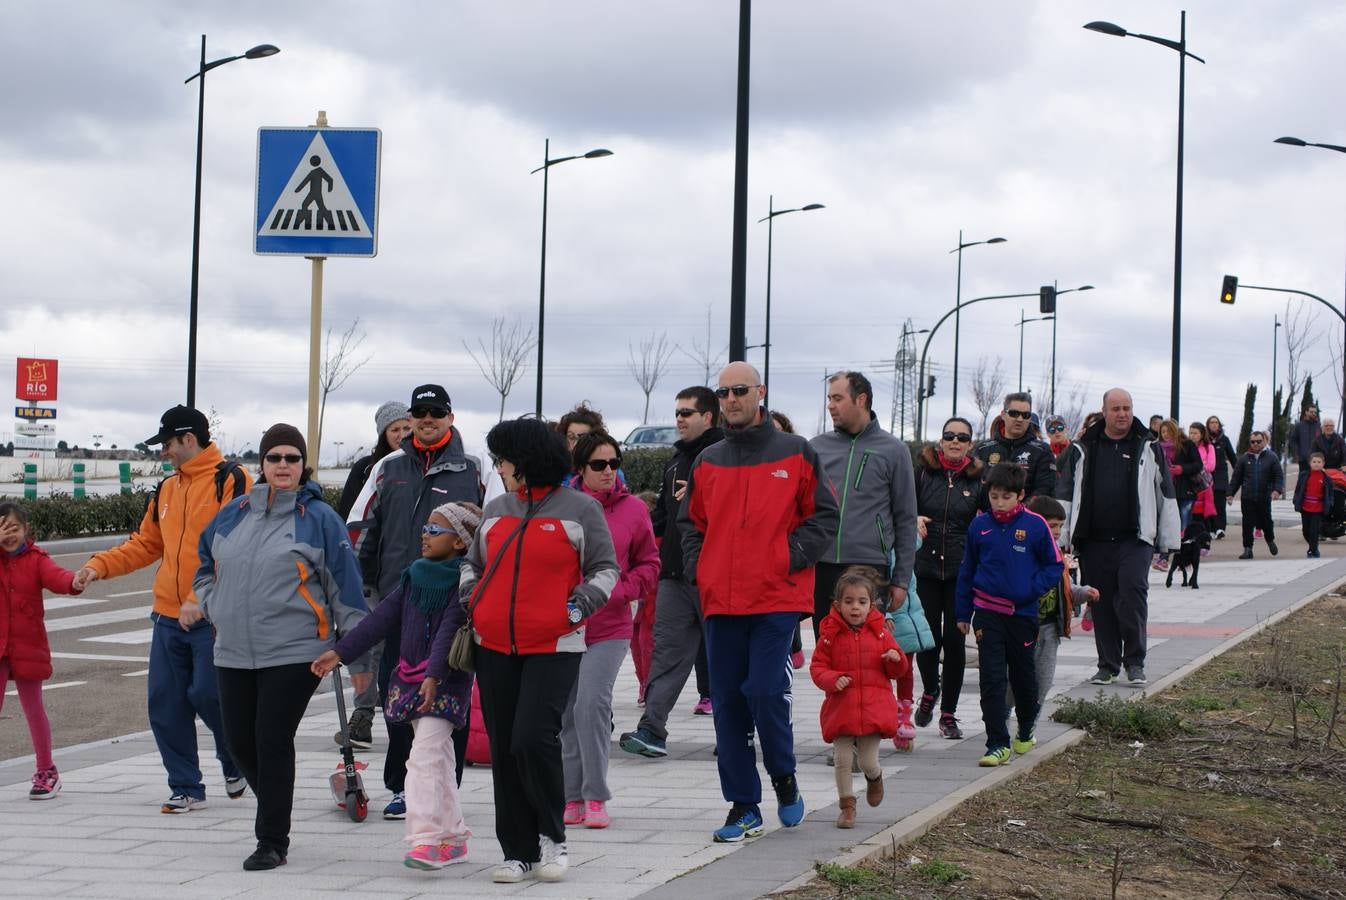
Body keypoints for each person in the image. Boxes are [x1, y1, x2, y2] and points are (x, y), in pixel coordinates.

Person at [195, 424, 369, 871]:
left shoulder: (320, 519)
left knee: (271, 738)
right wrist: (213, 605)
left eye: (292, 458)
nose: (283, 466)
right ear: (263, 464)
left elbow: (345, 590)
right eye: (275, 458)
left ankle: (272, 839)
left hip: (296, 652)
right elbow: (203, 567)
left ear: (302, 464)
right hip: (233, 651)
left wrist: (358, 656)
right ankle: (273, 803)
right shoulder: (232, 514)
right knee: (239, 743)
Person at [679, 362, 839, 843]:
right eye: (723, 392)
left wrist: (786, 556)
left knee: (766, 691)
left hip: (775, 599)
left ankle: (784, 778)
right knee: (726, 703)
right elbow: (690, 525)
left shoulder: (795, 451)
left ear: (760, 393)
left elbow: (824, 516)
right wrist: (697, 569)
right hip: (721, 601)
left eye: (740, 390)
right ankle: (744, 806)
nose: (730, 399)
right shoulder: (708, 460)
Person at [464, 417, 619, 884]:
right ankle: (518, 851)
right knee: (505, 750)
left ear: (524, 459)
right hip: (493, 645)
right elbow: (471, 565)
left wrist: (573, 612)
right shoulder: (496, 507)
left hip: (554, 645)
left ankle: (554, 838)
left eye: (503, 458)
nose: (500, 467)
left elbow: (606, 570)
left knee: (532, 739)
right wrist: (473, 602)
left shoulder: (581, 509)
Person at [73, 405, 249, 812]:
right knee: (165, 702)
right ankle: (186, 786)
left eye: (167, 443)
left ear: (189, 439)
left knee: (208, 694)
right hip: (167, 616)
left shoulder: (232, 480)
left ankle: (236, 758)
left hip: (212, 617)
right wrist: (97, 566)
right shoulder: (167, 489)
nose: (163, 451)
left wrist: (202, 598)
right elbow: (145, 545)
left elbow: (238, 546)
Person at [313, 501, 481, 870]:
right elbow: (381, 620)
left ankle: (424, 840)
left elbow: (449, 632)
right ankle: (453, 837)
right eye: (425, 527)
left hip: (444, 684)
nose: (425, 534)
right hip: (408, 679)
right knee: (438, 761)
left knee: (421, 759)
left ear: (459, 542)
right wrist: (340, 653)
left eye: (435, 530)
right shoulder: (414, 574)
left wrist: (434, 676)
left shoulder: (464, 583)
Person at [347, 384, 482, 819]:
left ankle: (447, 786)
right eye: (420, 412)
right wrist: (359, 588)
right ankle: (402, 785)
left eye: (435, 412)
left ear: (450, 417)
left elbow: (493, 529)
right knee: (395, 699)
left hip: (456, 607)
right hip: (399, 601)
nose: (427, 419)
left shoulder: (476, 468)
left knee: (450, 701)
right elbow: (361, 526)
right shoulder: (388, 467)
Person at [810, 372, 918, 748]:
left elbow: (906, 517)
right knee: (832, 655)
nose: (831, 405)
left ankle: (866, 736)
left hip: (870, 567)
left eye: (838, 397)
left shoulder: (893, 450)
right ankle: (842, 738)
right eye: (829, 398)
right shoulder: (816, 447)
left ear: (862, 399)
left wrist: (901, 577)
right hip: (823, 566)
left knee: (868, 659)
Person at [561, 433, 659, 829]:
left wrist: (619, 591)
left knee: (592, 705)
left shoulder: (634, 510)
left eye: (614, 463)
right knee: (567, 713)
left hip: (611, 625)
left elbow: (651, 564)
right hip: (565, 626)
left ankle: (596, 796)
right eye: (599, 465)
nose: (608, 472)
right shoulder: (562, 508)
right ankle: (571, 796)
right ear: (580, 469)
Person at [620, 386, 724, 759]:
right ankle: (652, 729)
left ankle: (732, 734)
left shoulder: (727, 458)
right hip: (675, 576)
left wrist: (698, 498)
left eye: (687, 413)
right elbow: (661, 519)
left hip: (717, 577)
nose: (679, 419)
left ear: (708, 417)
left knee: (725, 658)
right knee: (665, 653)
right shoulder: (674, 463)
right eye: (677, 412)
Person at [1057, 388, 1180, 687]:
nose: (1122, 414)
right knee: (1101, 601)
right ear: (1104, 411)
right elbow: (1065, 493)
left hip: (1135, 539)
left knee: (1133, 593)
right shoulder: (1083, 446)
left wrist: (1168, 538)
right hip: (1094, 539)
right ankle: (1108, 665)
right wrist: (1061, 537)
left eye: (1127, 408)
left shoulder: (1148, 446)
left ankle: (1135, 662)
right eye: (1116, 409)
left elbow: (1166, 492)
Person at [955, 464, 1063, 767]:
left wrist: (1030, 589)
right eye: (994, 496)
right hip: (987, 613)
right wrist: (963, 612)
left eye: (1006, 497)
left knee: (1023, 678)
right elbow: (967, 570)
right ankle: (997, 744)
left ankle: (1026, 726)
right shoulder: (979, 526)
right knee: (991, 679)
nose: (999, 502)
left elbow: (1054, 566)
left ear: (1020, 496)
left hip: (1023, 615)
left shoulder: (1036, 525)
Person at [809, 566, 909, 829]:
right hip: (842, 706)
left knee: (866, 761)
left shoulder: (881, 633)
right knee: (843, 759)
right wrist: (832, 679)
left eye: (862, 602)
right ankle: (847, 806)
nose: (855, 608)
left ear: (871, 605)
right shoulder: (830, 635)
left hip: (873, 708)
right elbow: (817, 668)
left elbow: (899, 669)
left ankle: (875, 778)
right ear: (838, 604)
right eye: (849, 602)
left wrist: (894, 660)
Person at [0, 501, 83, 799]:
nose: (9, 535)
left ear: (26, 530)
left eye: (14, 528)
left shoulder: (36, 559)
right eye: (3, 529)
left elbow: (57, 577)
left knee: (33, 708)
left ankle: (47, 771)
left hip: (27, 643)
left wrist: (74, 581)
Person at [912, 417, 984, 740]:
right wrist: (913, 518)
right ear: (941, 440)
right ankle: (930, 690)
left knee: (955, 643)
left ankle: (949, 714)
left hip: (960, 569)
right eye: (949, 436)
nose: (955, 441)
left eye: (962, 437)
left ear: (970, 443)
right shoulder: (923, 472)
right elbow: (902, 507)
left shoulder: (978, 480)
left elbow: (991, 519)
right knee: (928, 639)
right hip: (925, 568)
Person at [1022, 496, 1097, 726]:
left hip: (1050, 629)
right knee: (1014, 682)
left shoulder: (1056, 554)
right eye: (1051, 525)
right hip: (1022, 627)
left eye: (1060, 526)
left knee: (1043, 682)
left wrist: (1084, 592)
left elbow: (1065, 588)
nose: (1056, 531)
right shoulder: (1023, 553)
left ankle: (1028, 727)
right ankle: (1003, 718)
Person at [972, 391, 1056, 501]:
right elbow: (974, 487)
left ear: (1030, 418)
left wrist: (1019, 512)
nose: (1020, 419)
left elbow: (1045, 489)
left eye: (1025, 415)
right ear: (1003, 414)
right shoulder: (983, 449)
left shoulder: (1042, 450)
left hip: (1025, 516)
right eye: (1014, 413)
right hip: (989, 515)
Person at [337, 401, 411, 519]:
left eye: (407, 428)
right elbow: (348, 514)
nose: (402, 435)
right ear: (383, 435)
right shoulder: (364, 469)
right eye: (395, 430)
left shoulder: (421, 464)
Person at [1229, 430, 1284, 559]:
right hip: (1247, 497)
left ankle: (1270, 540)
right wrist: (1230, 493)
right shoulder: (1244, 458)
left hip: (1264, 497)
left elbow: (1278, 476)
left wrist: (1277, 490)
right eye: (1253, 442)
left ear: (1264, 441)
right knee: (1247, 524)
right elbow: (1236, 478)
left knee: (1266, 522)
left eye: (1259, 441)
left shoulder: (1272, 457)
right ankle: (1248, 549)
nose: (1255, 444)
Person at [1159, 418, 1202, 535]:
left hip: (1186, 490)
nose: (1165, 434)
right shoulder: (1158, 447)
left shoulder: (1187, 444)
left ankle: (1185, 548)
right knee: (1169, 523)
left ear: (1174, 431)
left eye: (1168, 431)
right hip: (1167, 491)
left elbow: (1198, 464)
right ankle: (1168, 549)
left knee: (1185, 523)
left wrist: (1182, 469)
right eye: (1163, 431)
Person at [1294, 451, 1333, 558]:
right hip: (1305, 507)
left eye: (1319, 462)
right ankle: (1313, 547)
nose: (1316, 464)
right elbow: (1298, 490)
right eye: (1314, 461)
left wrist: (1330, 503)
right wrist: (1296, 501)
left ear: (1323, 463)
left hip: (1318, 509)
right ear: (1310, 463)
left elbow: (1330, 494)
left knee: (1314, 531)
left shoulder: (1326, 479)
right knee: (1306, 531)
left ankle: (1313, 550)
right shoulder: (1303, 476)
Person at [1206, 415, 1237, 539]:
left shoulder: (1224, 439)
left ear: (1219, 425)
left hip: (1221, 476)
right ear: (1208, 425)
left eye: (1216, 422)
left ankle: (1220, 528)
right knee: (1209, 503)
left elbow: (1233, 458)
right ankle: (1211, 529)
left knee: (1220, 503)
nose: (1214, 424)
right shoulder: (1205, 440)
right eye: (1211, 423)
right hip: (1207, 477)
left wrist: (1240, 472)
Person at [1187, 422, 1216, 536]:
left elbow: (1211, 466)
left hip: (1203, 484)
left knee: (1201, 514)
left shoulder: (1209, 448)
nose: (1192, 435)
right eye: (1190, 433)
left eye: (1195, 433)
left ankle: (1204, 537)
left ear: (1201, 434)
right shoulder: (1186, 446)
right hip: (1189, 484)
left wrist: (1195, 466)